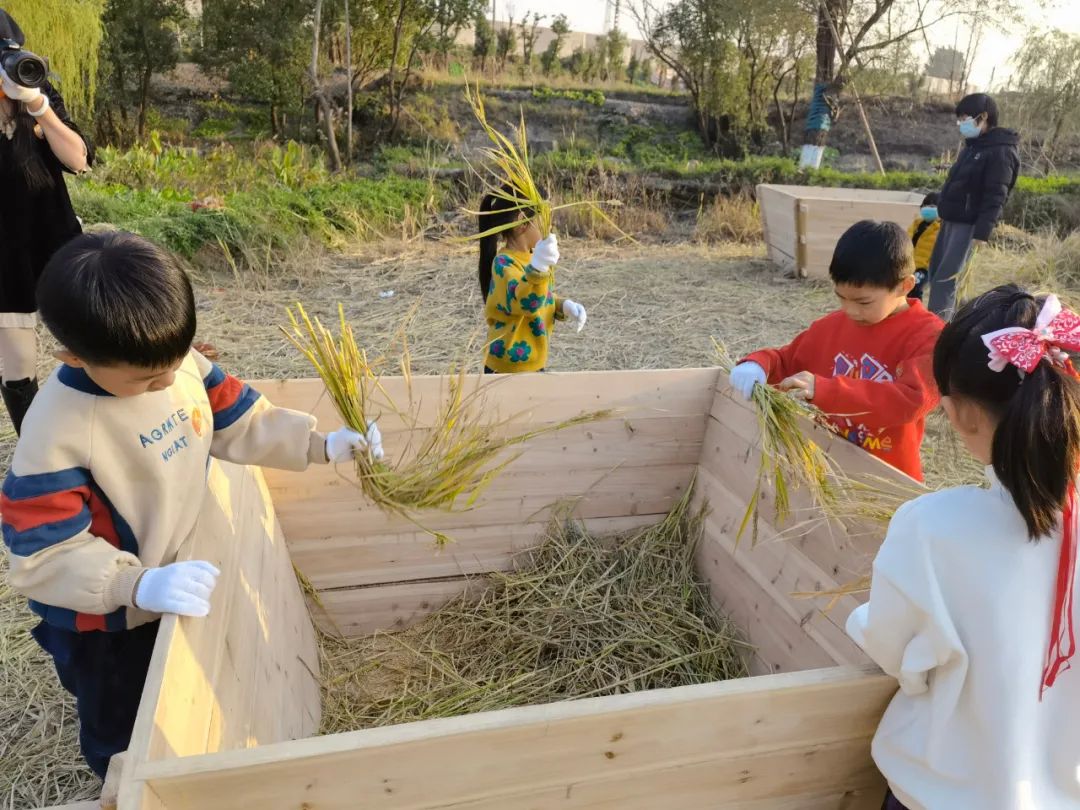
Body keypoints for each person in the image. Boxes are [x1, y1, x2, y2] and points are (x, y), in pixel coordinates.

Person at [0, 231, 385, 780]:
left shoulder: (179, 366)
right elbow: (44, 550)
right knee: (119, 719)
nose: (166, 383)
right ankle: (124, 784)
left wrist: (320, 445)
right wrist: (131, 586)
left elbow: (238, 420)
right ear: (74, 357)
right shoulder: (56, 432)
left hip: (170, 575)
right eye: (146, 379)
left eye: (173, 364)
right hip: (105, 615)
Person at [847, 284, 1080, 809]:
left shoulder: (932, 527)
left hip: (945, 793)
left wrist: (858, 619)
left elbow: (899, 655)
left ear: (957, 414)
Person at [728, 220, 944, 481]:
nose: (850, 310)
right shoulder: (831, 328)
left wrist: (825, 390)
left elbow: (911, 400)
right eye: (841, 297)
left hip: (886, 479)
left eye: (863, 301)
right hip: (827, 471)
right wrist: (757, 364)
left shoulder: (927, 336)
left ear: (904, 286)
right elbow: (785, 360)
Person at [0, 8, 92, 434]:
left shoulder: (36, 93)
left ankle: (101, 429)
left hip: (54, 239)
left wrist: (38, 107)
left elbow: (78, 159)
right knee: (16, 363)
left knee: (90, 338)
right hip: (5, 259)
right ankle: (37, 450)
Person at [926, 93, 1020, 321]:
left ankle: (937, 328)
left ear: (983, 117)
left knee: (946, 279)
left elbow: (996, 195)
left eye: (965, 118)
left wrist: (982, 232)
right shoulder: (974, 146)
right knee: (936, 270)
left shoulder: (1001, 151)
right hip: (952, 220)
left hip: (968, 225)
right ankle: (957, 321)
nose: (961, 124)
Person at [478, 187, 587, 373]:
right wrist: (539, 267)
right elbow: (527, 303)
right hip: (508, 368)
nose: (549, 227)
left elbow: (541, 296)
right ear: (522, 221)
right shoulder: (503, 264)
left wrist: (563, 306)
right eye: (543, 220)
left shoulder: (532, 259)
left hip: (532, 363)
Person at [906, 192, 940, 302]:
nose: (928, 209)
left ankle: (916, 311)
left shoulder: (941, 228)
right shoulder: (917, 224)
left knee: (915, 289)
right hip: (909, 264)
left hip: (924, 267)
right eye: (925, 206)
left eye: (932, 207)